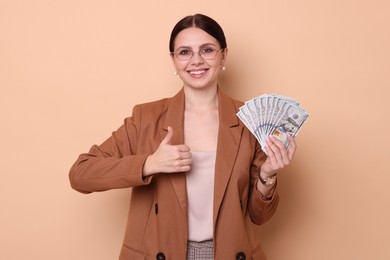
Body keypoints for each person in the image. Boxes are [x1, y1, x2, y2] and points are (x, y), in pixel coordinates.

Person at [69, 13, 297, 260]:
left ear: (223, 56)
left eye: (207, 50)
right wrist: (149, 164)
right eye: (185, 52)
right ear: (174, 60)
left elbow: (259, 217)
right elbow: (80, 174)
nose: (196, 60)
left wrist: (267, 176)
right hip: (161, 252)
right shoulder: (146, 117)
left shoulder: (249, 121)